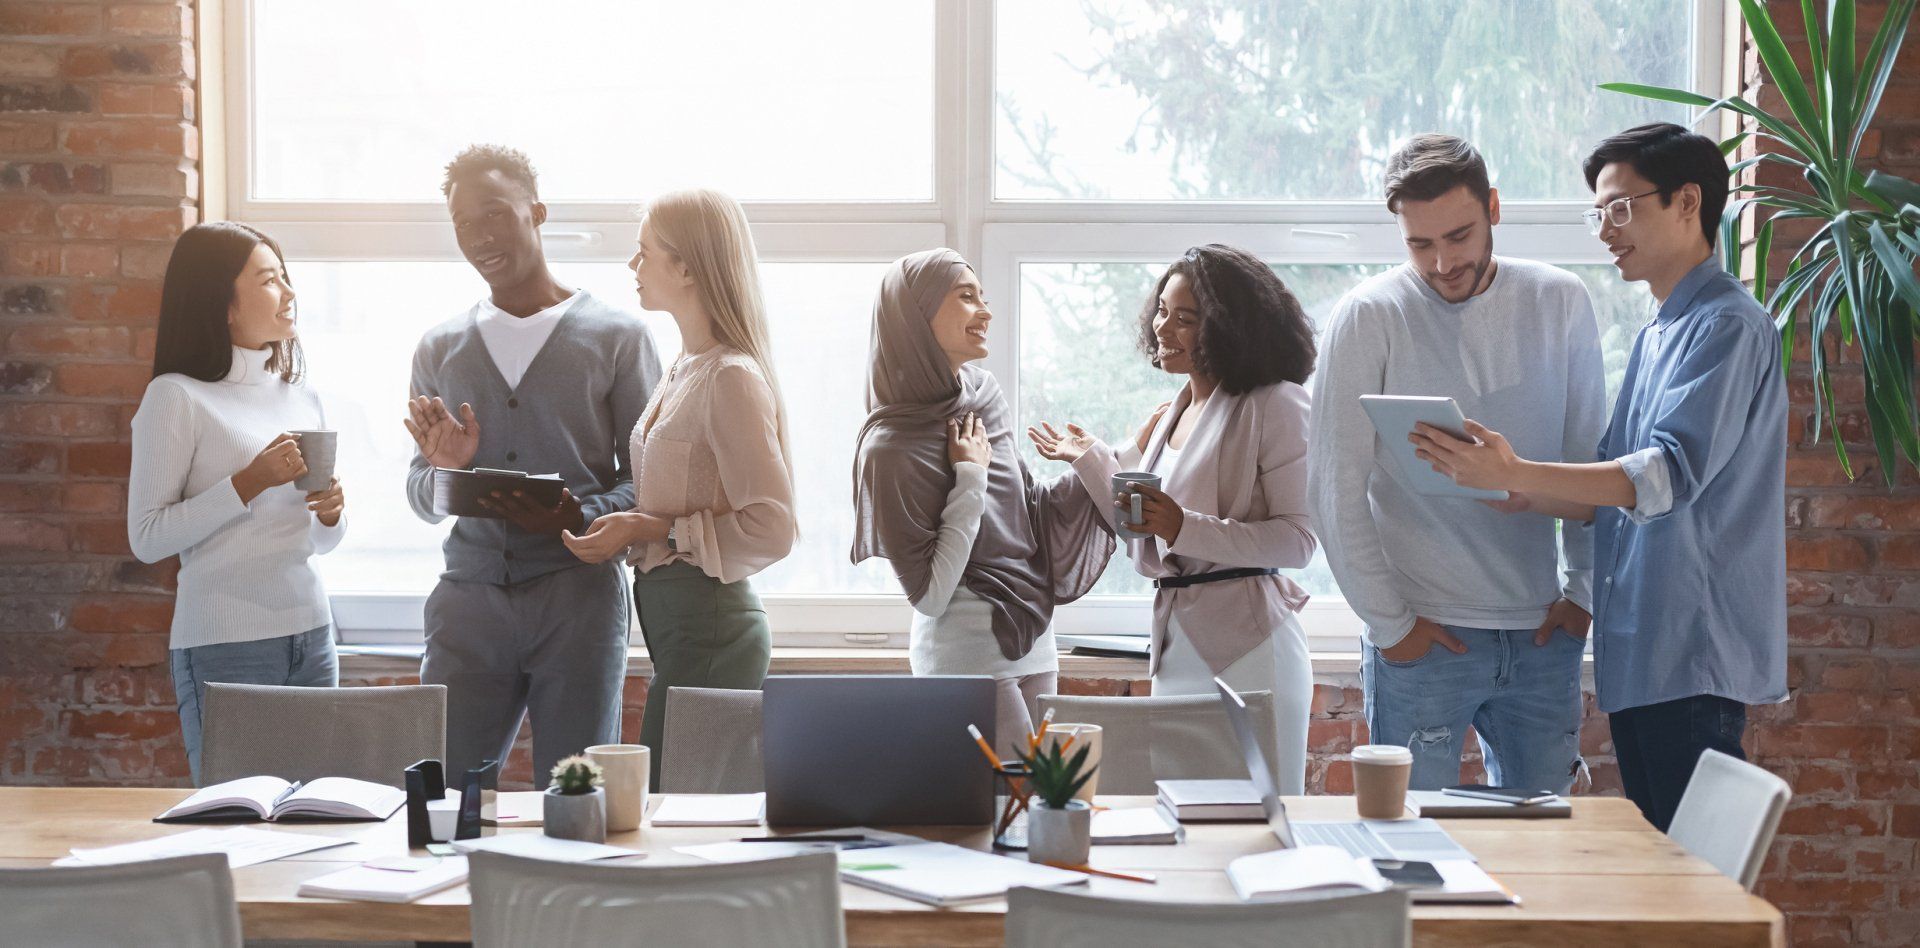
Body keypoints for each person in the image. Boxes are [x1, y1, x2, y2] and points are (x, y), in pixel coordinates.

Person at [1408, 122, 1786, 829]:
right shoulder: (1659, 330)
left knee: (1688, 891)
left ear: (1686, 202)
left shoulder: (1727, 325)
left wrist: (1521, 470)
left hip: (1691, 649)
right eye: (1598, 213)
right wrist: (1513, 486)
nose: (1607, 230)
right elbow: (1608, 490)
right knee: (1664, 874)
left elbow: (1663, 475)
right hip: (1646, 651)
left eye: (1622, 208)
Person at [1306, 134, 1607, 794]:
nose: (1442, 262)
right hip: (1425, 639)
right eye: (1420, 244)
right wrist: (1393, 627)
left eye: (1459, 236)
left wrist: (1583, 594)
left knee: (1546, 849)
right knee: (1414, 850)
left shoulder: (1560, 300)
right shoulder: (1368, 315)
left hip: (1539, 637)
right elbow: (1332, 489)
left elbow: (1591, 457)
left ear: (1494, 208)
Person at [405, 145, 661, 783]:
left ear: (537, 212)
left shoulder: (617, 337)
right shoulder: (439, 347)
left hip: (578, 601)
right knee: (443, 801)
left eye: (495, 214)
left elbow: (650, 480)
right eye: (464, 223)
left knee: (578, 796)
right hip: (467, 603)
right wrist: (446, 472)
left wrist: (580, 514)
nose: (480, 236)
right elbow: (418, 491)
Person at [1029, 244, 1318, 791]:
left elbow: (1298, 541)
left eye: (1186, 319)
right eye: (1162, 310)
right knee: (1183, 819)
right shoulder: (1174, 412)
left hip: (1252, 647)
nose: (1163, 327)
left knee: (1264, 821)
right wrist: (1091, 458)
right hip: (1176, 642)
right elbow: (1142, 527)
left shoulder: (1276, 404)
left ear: (1229, 329)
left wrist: (1181, 526)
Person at [562, 188, 796, 788]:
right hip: (680, 632)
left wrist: (649, 528)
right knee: (669, 807)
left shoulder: (731, 377)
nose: (631, 267)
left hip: (713, 630)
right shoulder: (684, 367)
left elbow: (772, 528)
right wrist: (630, 530)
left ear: (687, 266)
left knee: (676, 811)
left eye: (644, 253)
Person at [850, 249, 1114, 756]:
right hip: (966, 655)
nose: (985, 312)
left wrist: (1097, 459)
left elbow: (1026, 511)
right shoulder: (889, 446)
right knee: (1002, 816)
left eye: (984, 297)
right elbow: (930, 593)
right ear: (916, 314)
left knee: (1045, 811)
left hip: (1035, 639)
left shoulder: (984, 395)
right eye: (966, 297)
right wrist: (968, 475)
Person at [129, 222, 348, 785]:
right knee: (239, 826)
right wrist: (248, 482)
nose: (290, 293)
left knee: (316, 821)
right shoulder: (176, 397)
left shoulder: (302, 397)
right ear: (221, 302)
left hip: (313, 635)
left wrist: (330, 513)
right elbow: (148, 537)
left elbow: (316, 542)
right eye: (270, 280)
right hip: (226, 648)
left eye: (285, 277)